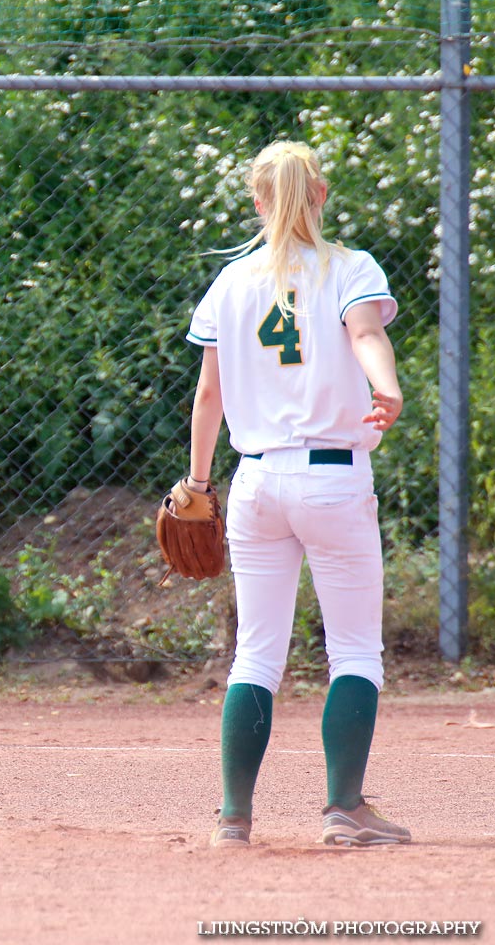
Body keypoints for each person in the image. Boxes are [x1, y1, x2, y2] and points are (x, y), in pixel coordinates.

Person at [184, 141, 408, 848]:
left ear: (257, 200)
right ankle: (344, 810)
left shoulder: (231, 282)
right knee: (353, 651)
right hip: (333, 477)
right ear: (321, 192)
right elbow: (367, 332)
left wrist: (195, 482)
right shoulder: (350, 267)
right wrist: (387, 385)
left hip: (254, 480)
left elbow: (210, 394)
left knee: (256, 653)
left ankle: (234, 821)